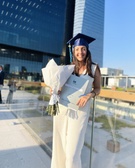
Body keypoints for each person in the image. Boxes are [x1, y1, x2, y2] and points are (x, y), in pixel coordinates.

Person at [51, 33, 101, 168]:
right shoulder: (69, 68)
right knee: (60, 144)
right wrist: (56, 90)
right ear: (73, 51)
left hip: (80, 112)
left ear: (87, 50)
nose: (80, 52)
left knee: (73, 153)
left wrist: (88, 96)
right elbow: (62, 88)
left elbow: (97, 89)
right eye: (77, 49)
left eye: (83, 49)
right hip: (63, 109)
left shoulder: (94, 68)